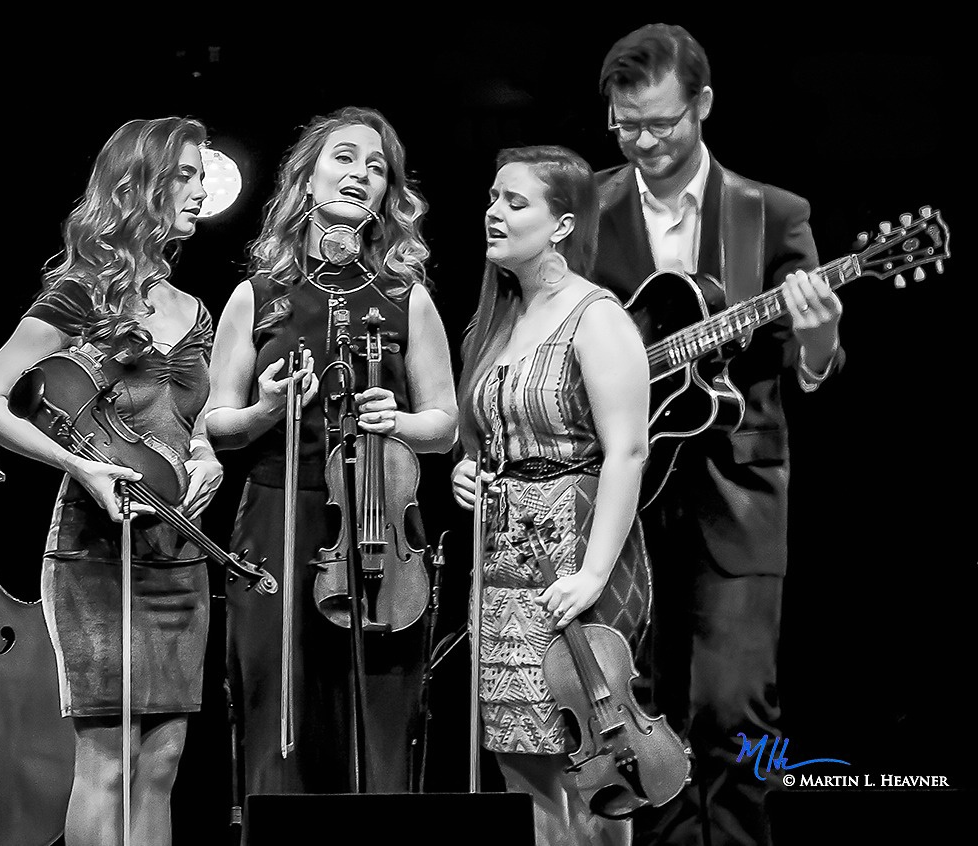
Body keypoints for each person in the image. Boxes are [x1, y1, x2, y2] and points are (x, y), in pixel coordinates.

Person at [593, 24, 845, 846]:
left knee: (739, 705)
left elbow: (816, 366)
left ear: (702, 105)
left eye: (659, 124)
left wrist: (816, 340)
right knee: (643, 712)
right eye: (624, 124)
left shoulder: (773, 213)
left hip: (738, 491)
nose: (642, 142)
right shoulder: (584, 208)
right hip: (619, 494)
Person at [0, 117, 219, 846]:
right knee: (109, 756)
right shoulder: (80, 295)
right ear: (136, 186)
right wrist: (79, 464)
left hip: (179, 552)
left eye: (202, 177)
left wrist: (206, 455)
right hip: (95, 552)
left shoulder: (192, 310)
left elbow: (189, 419)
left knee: (163, 759)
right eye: (186, 176)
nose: (200, 192)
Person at [206, 105, 457, 799]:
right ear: (308, 179)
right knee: (273, 718)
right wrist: (265, 410)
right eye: (345, 158)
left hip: (379, 527)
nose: (362, 175)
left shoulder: (408, 297)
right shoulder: (256, 295)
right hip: (276, 517)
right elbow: (218, 424)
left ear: (386, 196)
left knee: (375, 723)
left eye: (377, 168)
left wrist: (398, 419)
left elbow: (445, 424)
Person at [452, 145, 651, 846]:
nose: (494, 213)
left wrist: (593, 572)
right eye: (493, 197)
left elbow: (627, 449)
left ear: (563, 225)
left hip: (571, 556)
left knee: (588, 759)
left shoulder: (595, 317)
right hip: (503, 566)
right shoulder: (498, 319)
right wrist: (469, 470)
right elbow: (483, 436)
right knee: (519, 755)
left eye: (516, 202)